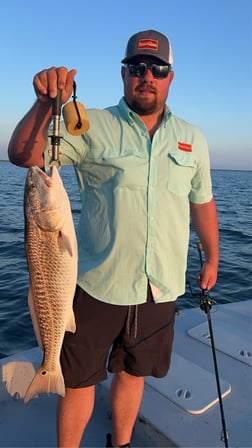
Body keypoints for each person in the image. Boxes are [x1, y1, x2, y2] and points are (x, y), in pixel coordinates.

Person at [8, 30, 219, 448]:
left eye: (157, 69)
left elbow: (203, 202)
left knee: (133, 372)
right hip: (95, 284)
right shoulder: (90, 124)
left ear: (170, 77)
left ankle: (120, 443)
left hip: (159, 287)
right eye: (137, 68)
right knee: (80, 379)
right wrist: (44, 103)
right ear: (124, 75)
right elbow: (24, 156)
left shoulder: (193, 138)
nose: (147, 76)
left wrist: (212, 258)